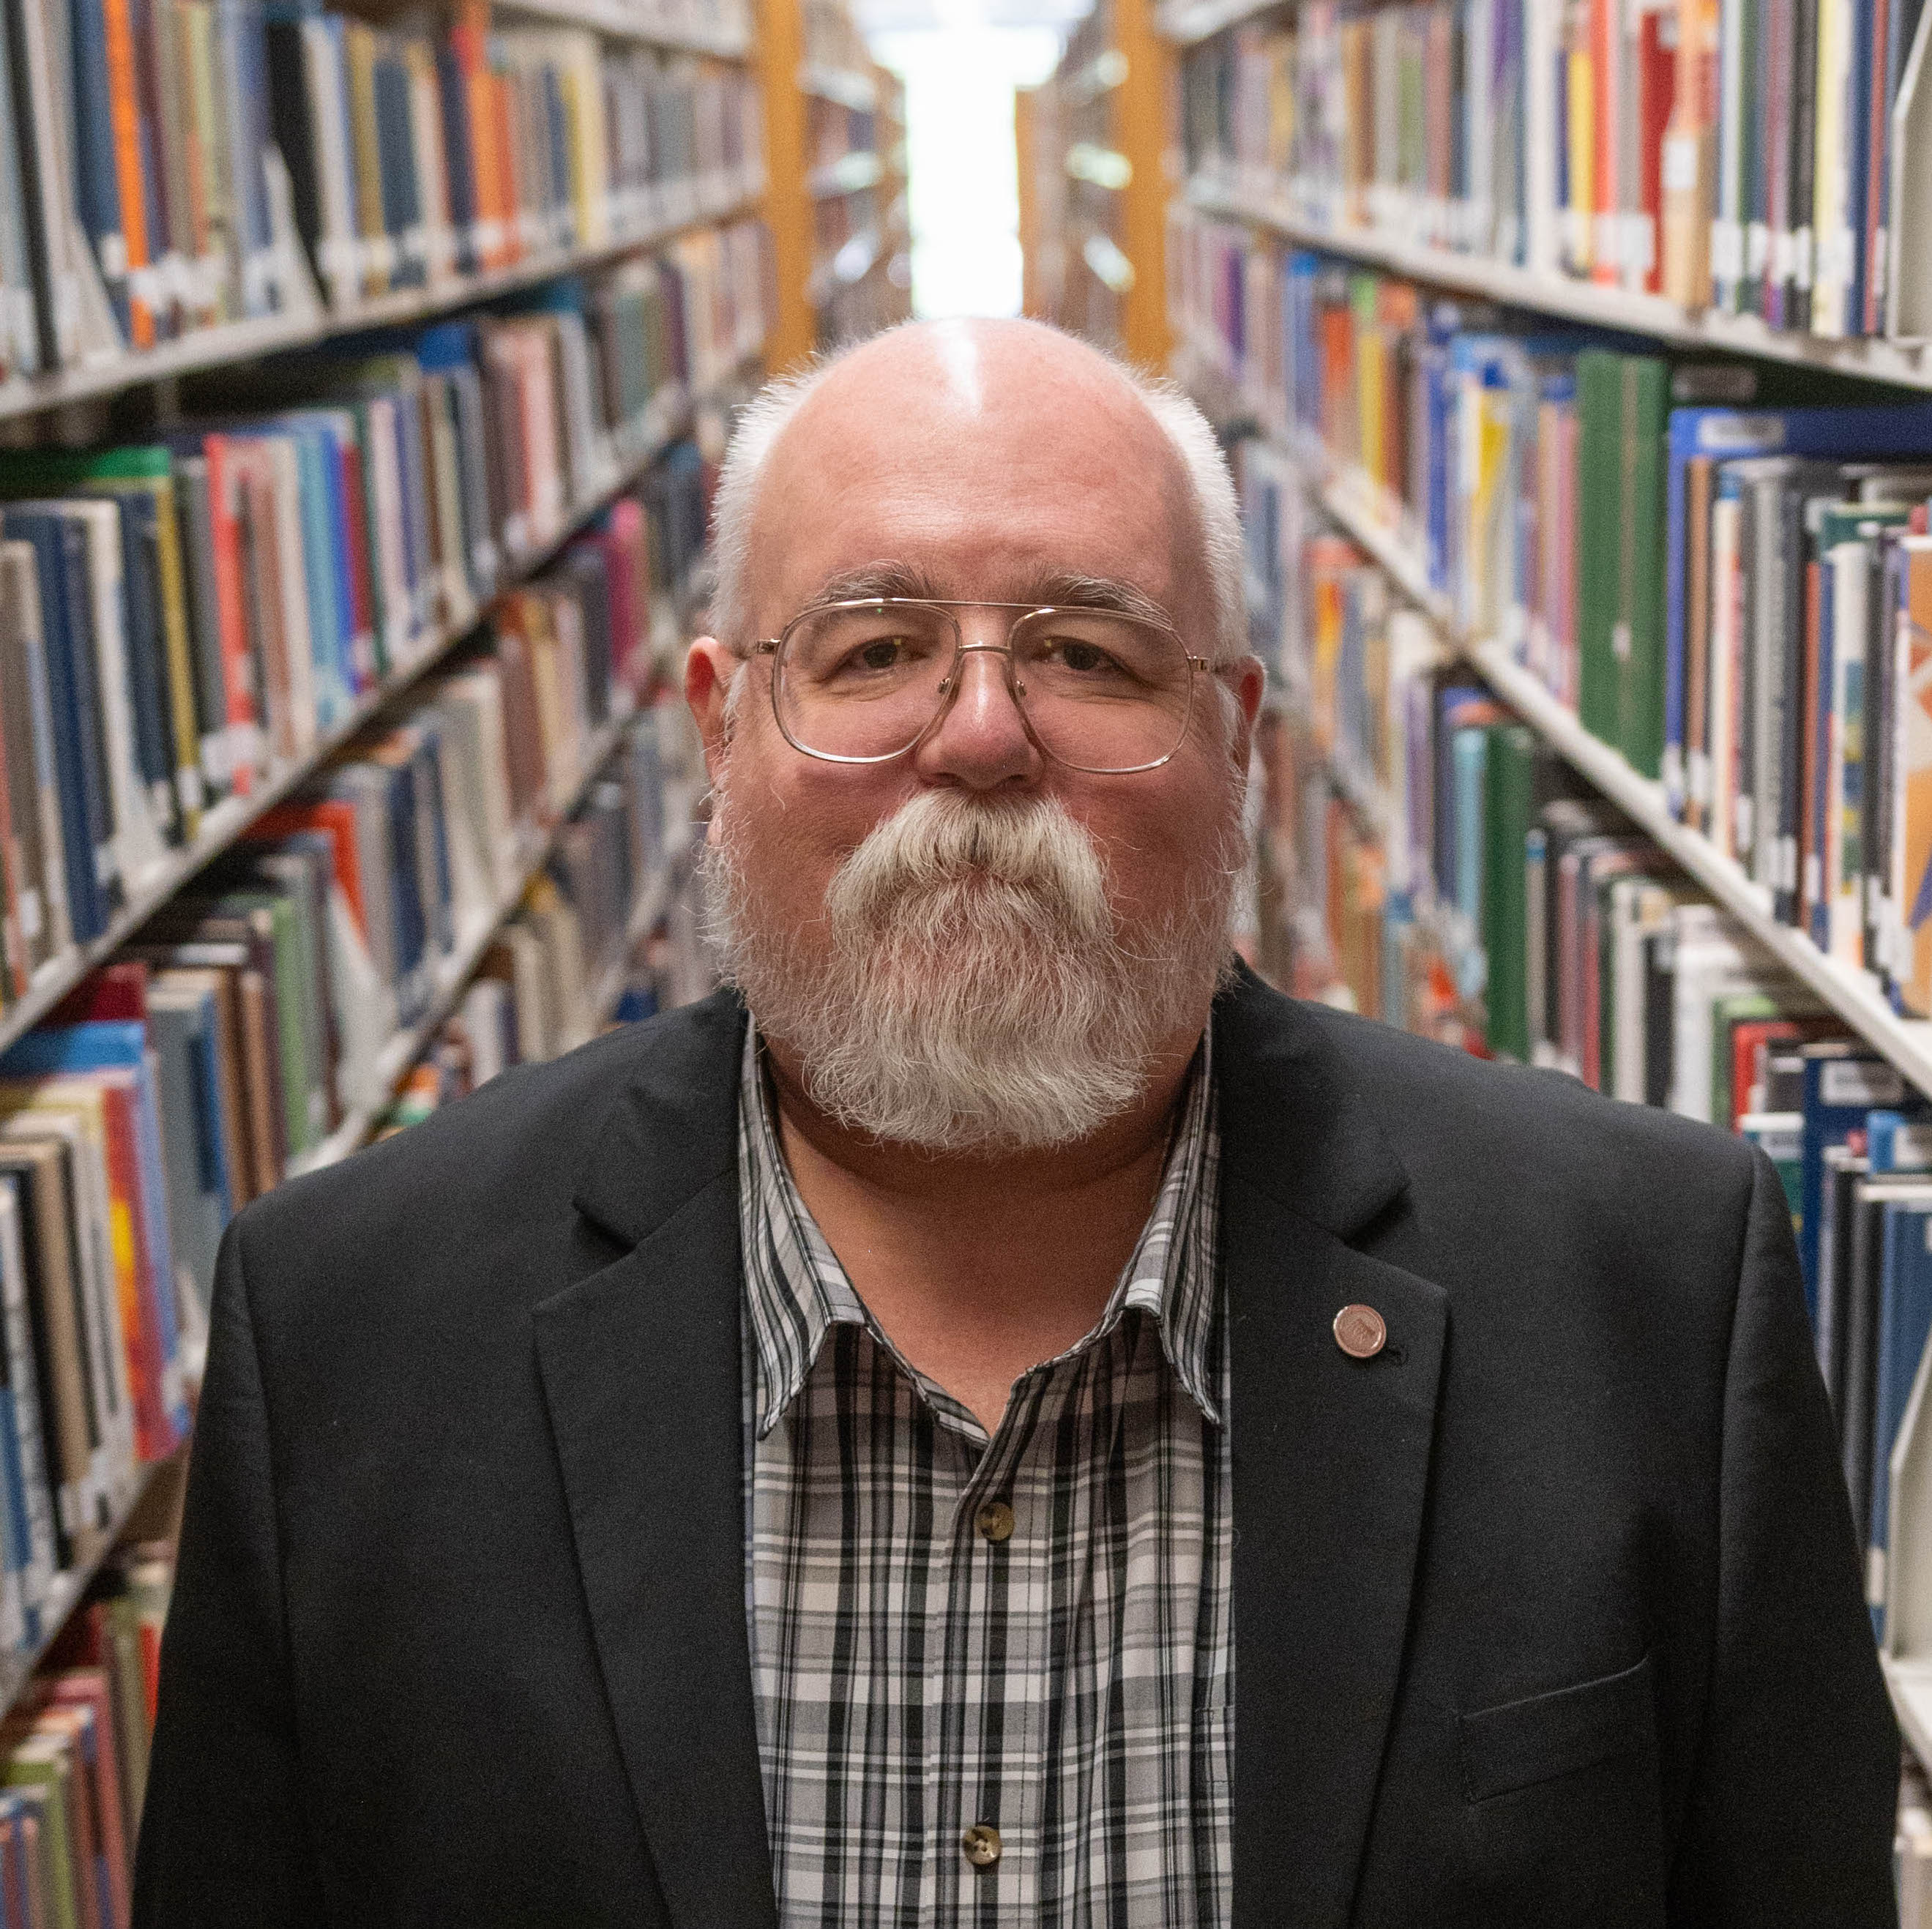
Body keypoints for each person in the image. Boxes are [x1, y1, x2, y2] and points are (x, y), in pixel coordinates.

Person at [132, 318, 1897, 1929]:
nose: (981, 736)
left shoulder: (1650, 1300)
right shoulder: (347, 1338)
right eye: (875, 646)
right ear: (718, 726)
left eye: (1088, 652)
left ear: (1239, 737)